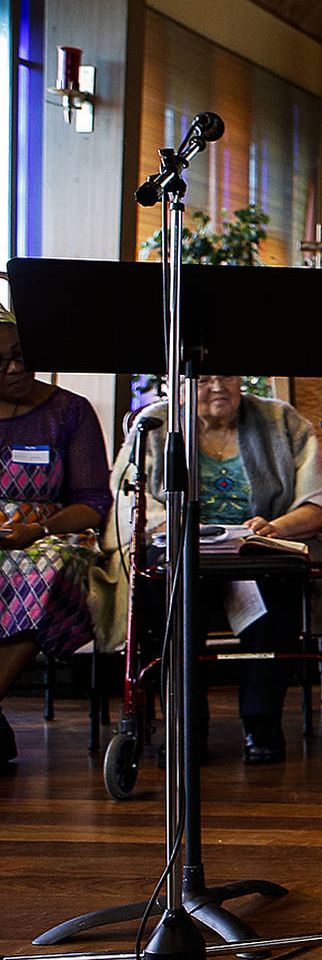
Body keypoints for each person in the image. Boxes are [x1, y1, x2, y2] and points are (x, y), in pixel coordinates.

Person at [119, 377, 322, 763]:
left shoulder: (280, 419)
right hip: (181, 546)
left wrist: (276, 528)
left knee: (280, 580)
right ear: (178, 383)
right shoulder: (154, 424)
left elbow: (318, 498)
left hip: (260, 542)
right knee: (168, 586)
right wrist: (174, 529)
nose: (219, 386)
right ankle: (187, 725)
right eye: (204, 379)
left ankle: (261, 722)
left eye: (228, 376)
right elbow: (129, 502)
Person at [0, 311, 112, 767]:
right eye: (0, 361)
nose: (14, 369)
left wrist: (39, 529)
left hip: (55, 535)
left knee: (41, 569)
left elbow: (95, 500)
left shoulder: (70, 411)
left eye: (21, 356)